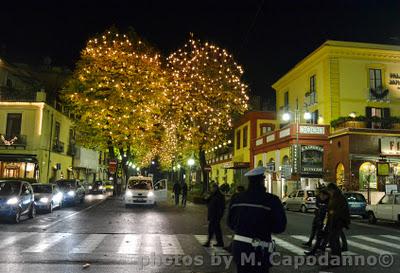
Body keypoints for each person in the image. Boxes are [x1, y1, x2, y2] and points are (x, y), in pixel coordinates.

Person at [228, 167, 287, 273]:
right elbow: (280, 227)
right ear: (262, 180)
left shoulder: (236, 198)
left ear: (249, 181)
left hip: (239, 247)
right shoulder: (272, 200)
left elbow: (230, 223)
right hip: (260, 249)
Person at [324, 182, 350, 264]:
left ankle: (336, 259)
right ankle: (336, 258)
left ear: (333, 190)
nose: (329, 192)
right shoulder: (335, 196)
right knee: (334, 240)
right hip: (335, 221)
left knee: (333, 240)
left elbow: (340, 210)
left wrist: (332, 212)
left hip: (337, 221)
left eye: (329, 191)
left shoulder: (338, 197)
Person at [304, 189, 330, 255]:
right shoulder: (319, 199)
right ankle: (316, 250)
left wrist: (324, 224)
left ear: (326, 195)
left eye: (322, 195)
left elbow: (327, 214)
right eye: (320, 195)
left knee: (322, 237)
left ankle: (319, 250)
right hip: (318, 219)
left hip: (324, 222)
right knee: (319, 236)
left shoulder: (329, 202)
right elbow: (318, 208)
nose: (320, 196)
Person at [203, 183, 225, 247]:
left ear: (215, 188)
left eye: (212, 187)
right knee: (217, 229)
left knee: (211, 229)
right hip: (212, 214)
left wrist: (220, 215)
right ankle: (220, 242)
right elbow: (206, 201)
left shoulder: (219, 195)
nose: (211, 189)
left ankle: (209, 242)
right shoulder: (213, 194)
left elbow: (221, 206)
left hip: (216, 215)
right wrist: (206, 197)